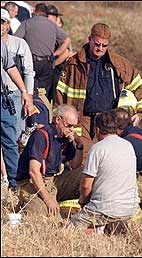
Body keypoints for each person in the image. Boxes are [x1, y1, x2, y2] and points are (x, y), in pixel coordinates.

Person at [55, 22, 142, 162]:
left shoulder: (119, 64)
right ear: (90, 39)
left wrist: (140, 113)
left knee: (108, 159)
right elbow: (60, 93)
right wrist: (60, 119)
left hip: (109, 120)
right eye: (97, 44)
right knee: (83, 159)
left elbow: (139, 86)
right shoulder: (73, 64)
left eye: (104, 45)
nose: (100, 48)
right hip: (82, 120)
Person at [69, 111, 139, 233]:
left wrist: (83, 202)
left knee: (70, 229)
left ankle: (101, 230)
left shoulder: (97, 149)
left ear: (97, 130)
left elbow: (86, 185)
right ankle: (112, 225)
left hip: (105, 209)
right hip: (130, 208)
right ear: (117, 129)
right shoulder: (129, 145)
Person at [15, 104, 83, 216]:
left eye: (73, 126)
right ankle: (24, 205)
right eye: (69, 125)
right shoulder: (41, 136)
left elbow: (75, 165)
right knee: (43, 217)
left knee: (83, 175)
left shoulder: (65, 138)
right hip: (30, 183)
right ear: (58, 120)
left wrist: (79, 145)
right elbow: (33, 172)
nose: (71, 130)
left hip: (51, 181)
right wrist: (48, 200)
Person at [14, 2, 71, 103]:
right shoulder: (53, 26)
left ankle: (28, 112)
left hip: (30, 62)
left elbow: (15, 40)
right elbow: (66, 40)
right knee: (42, 94)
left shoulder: (27, 23)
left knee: (28, 90)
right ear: (46, 13)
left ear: (36, 11)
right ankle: (42, 114)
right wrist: (55, 54)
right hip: (47, 64)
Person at [1, 40, 32, 191]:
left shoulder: (1, 44)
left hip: (3, 98)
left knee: (10, 142)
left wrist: (24, 91)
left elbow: (10, 66)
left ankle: (14, 185)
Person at [1, 7, 35, 140]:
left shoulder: (19, 44)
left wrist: (28, 95)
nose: (1, 26)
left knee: (15, 135)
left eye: (3, 22)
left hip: (14, 95)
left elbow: (28, 71)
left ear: (8, 25)